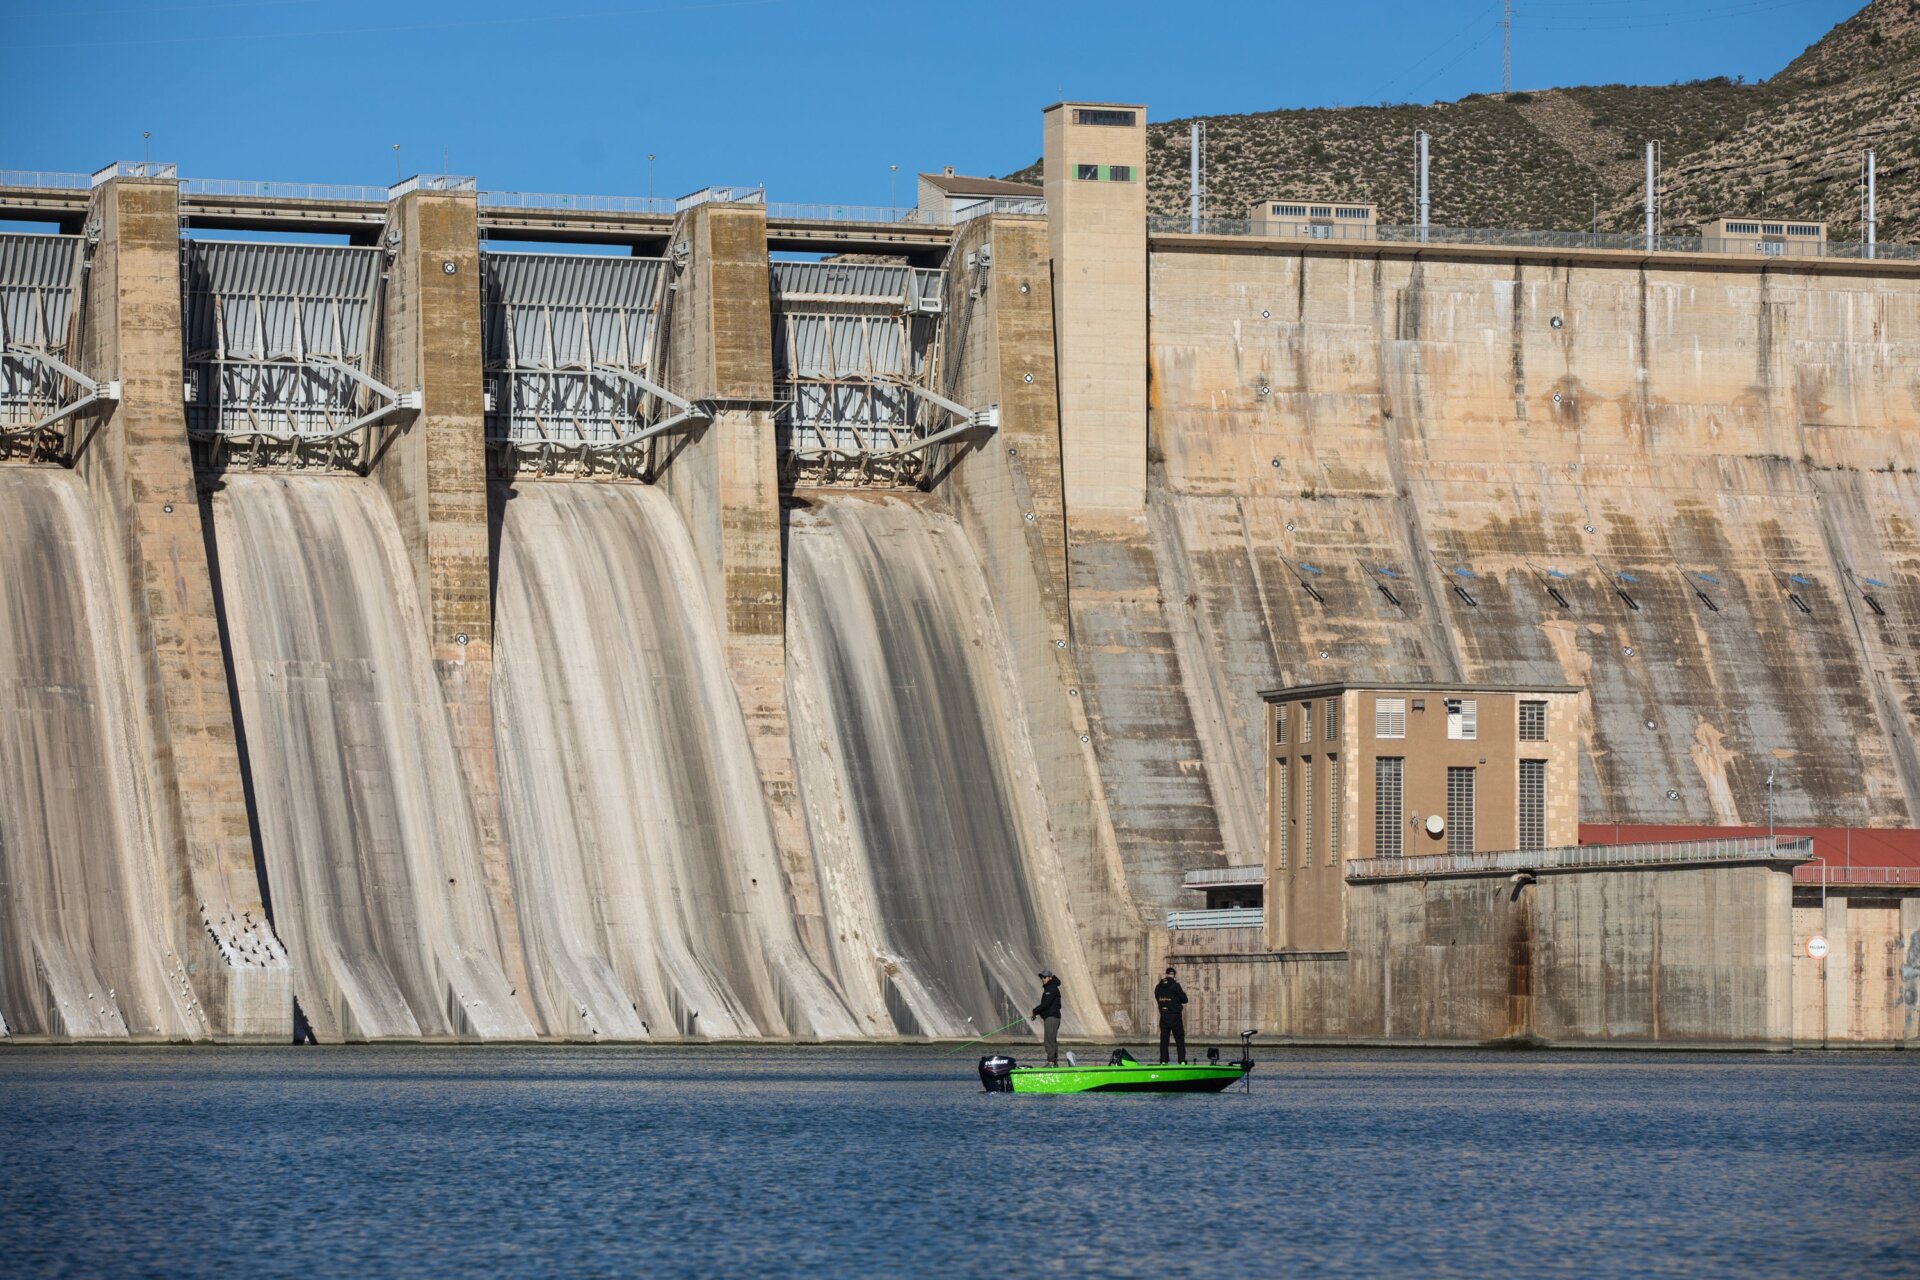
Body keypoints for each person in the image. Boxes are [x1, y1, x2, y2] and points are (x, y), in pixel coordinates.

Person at [1154, 966, 1189, 1064]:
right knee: (1179, 1039)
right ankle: (1181, 1061)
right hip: (1175, 1016)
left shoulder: (1158, 986)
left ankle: (1163, 1061)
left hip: (1164, 1016)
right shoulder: (1175, 985)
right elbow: (1185, 999)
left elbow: (1157, 998)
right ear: (1173, 975)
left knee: (1164, 1040)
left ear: (1166, 974)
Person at [1031, 969, 1062, 1066]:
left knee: (1048, 1040)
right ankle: (1054, 1062)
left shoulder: (1051, 988)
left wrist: (1035, 1010)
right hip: (1052, 1017)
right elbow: (1046, 1005)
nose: (1042, 979)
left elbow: (1046, 1004)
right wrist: (1037, 1012)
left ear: (1050, 978)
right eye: (1041, 977)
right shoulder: (1050, 988)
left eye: (1044, 977)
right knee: (1051, 1039)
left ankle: (1051, 1062)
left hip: (1052, 1017)